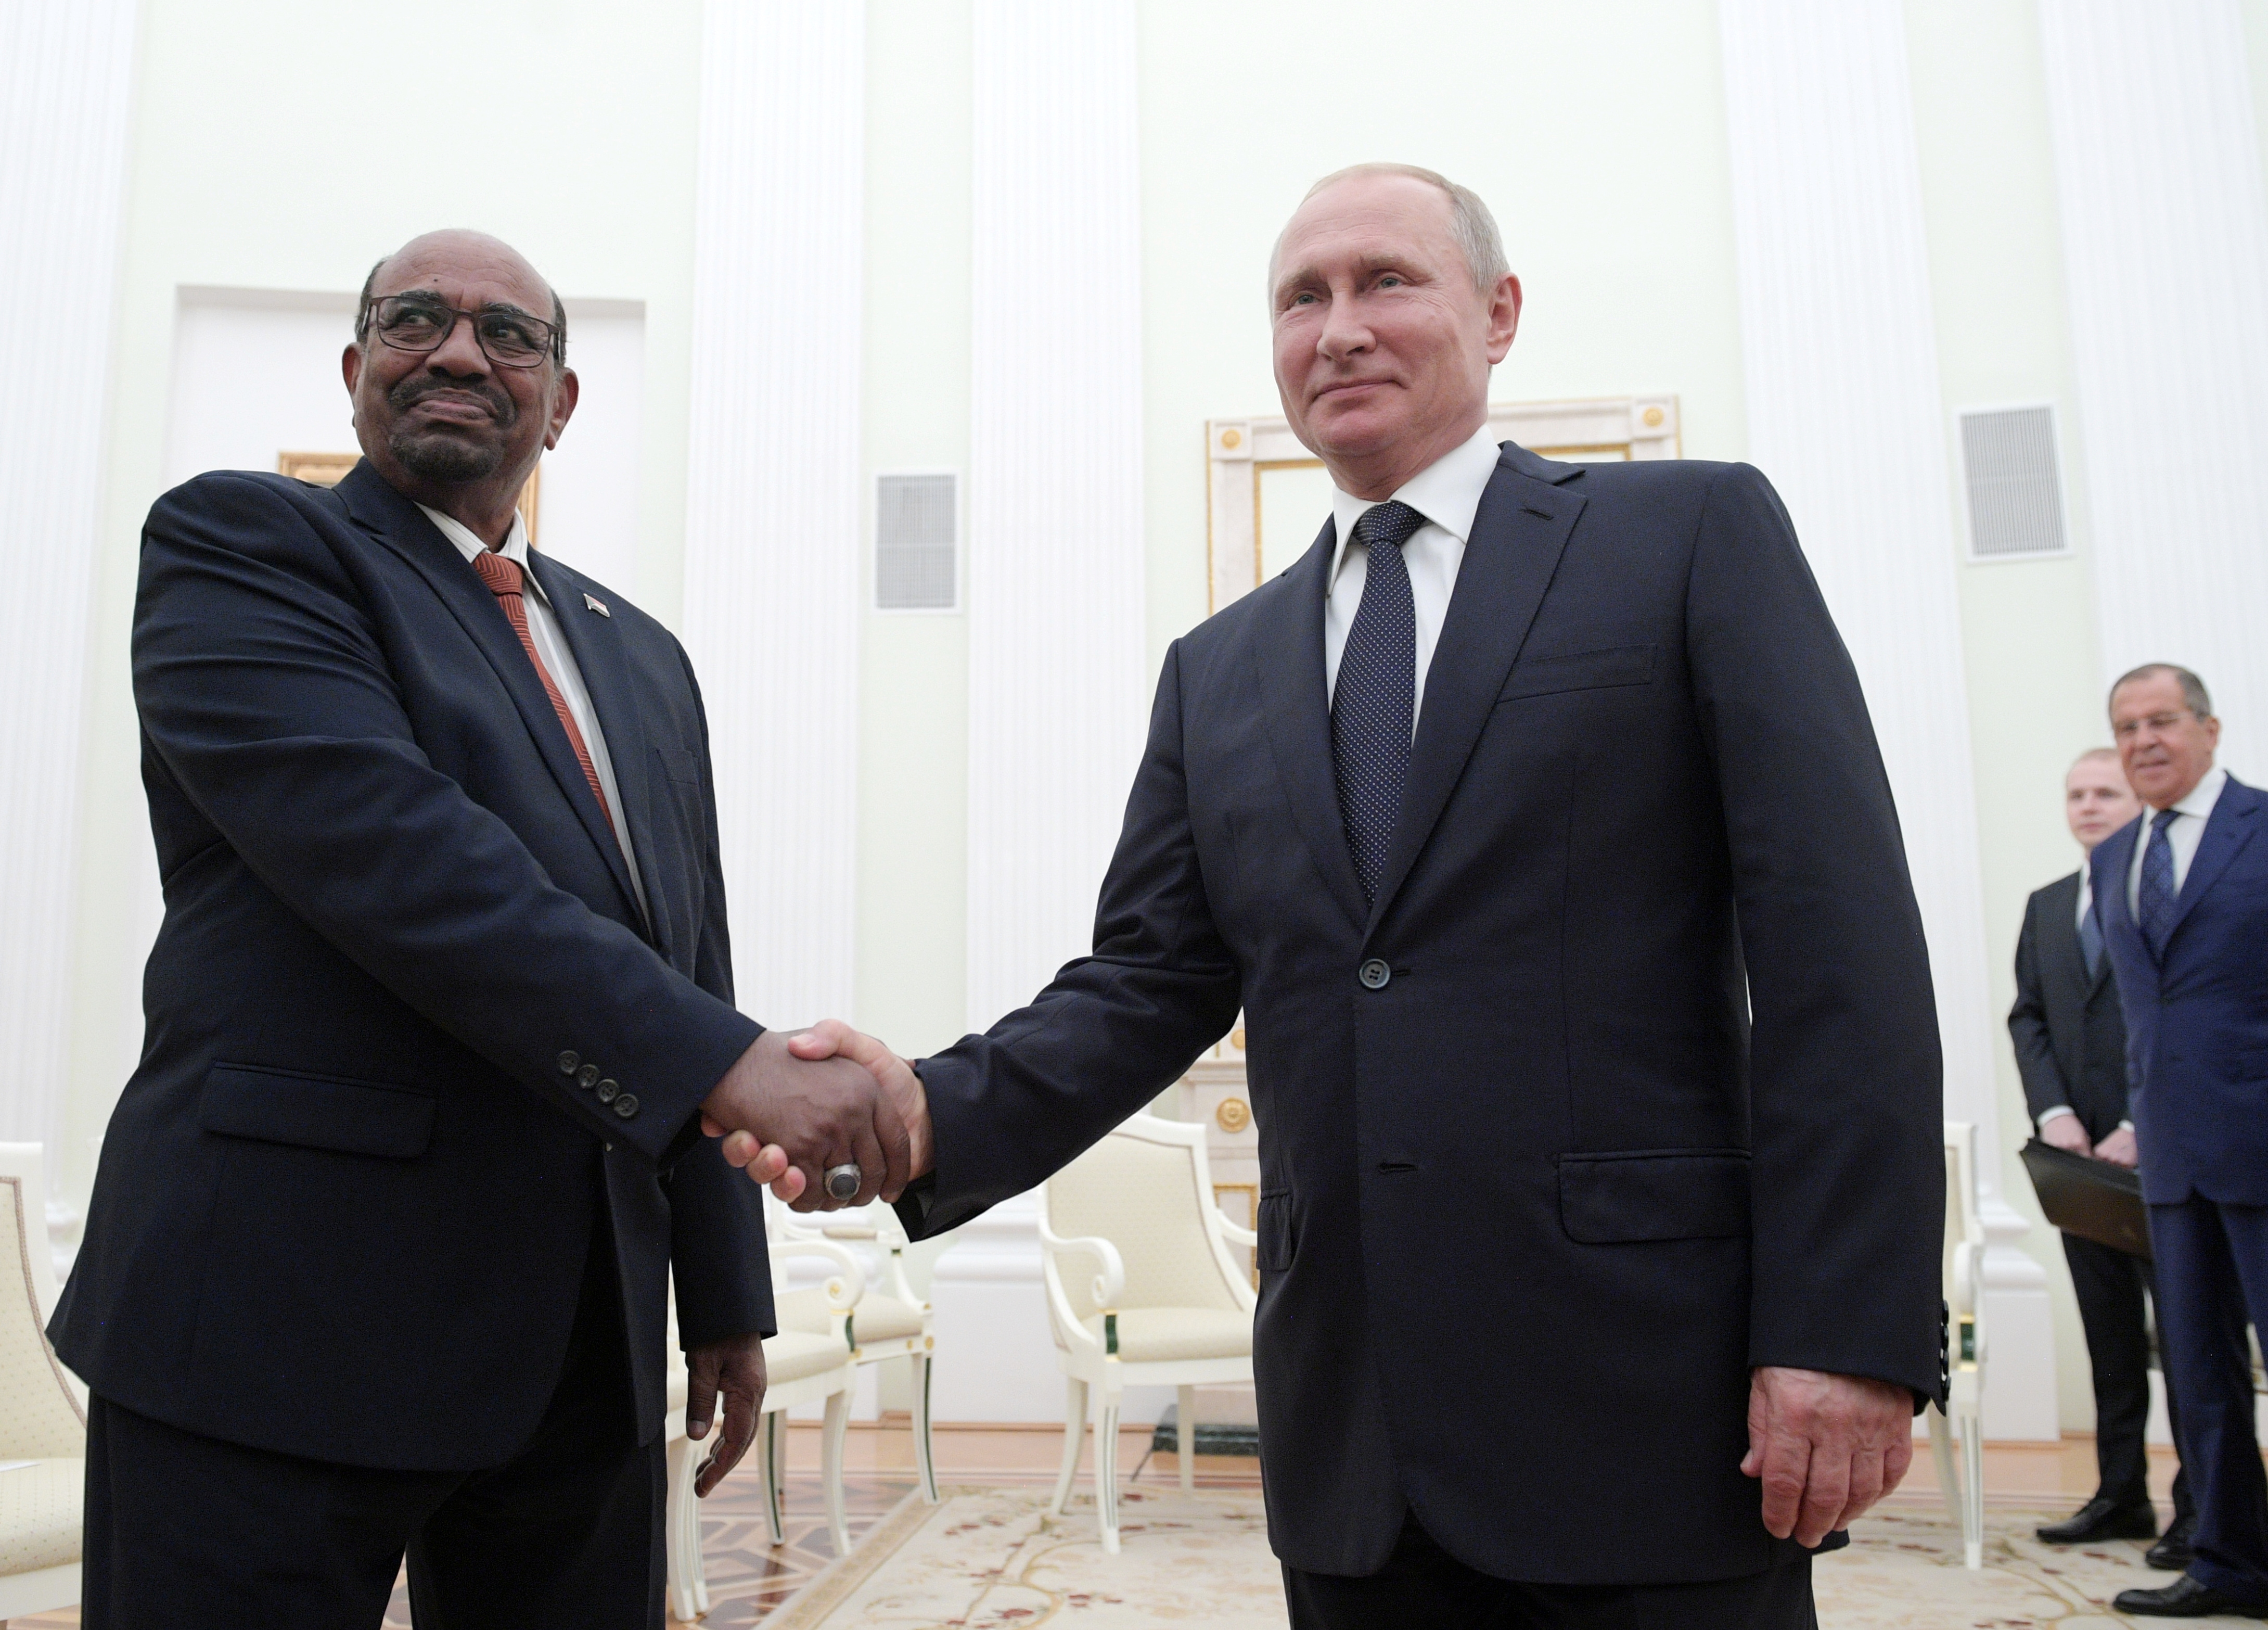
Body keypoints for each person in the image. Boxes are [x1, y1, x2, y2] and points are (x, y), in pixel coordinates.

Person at [773, 163, 1945, 1628]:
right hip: (1354, 1436)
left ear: (1498, 311)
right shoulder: (1223, 669)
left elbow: (1844, 950)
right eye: (1300, 298)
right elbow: (1148, 980)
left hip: (1649, 1402)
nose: (1339, 329)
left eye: (1386, 281)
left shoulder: (1688, 538)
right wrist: (928, 1111)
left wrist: (1848, 1327)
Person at [51, 230, 910, 1628]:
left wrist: (722, 1289)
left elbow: (687, 949)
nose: (459, 350)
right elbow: (408, 862)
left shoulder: (641, 655)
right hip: (272, 1318)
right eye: (415, 320)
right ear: (355, 371)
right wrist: (730, 1065)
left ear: (561, 401)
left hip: (580, 1350)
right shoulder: (246, 547)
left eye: (509, 334)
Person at [2091, 664, 2268, 1620]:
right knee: (2200, 1380)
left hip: (2263, 1147)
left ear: (2209, 728)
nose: (2143, 740)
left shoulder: (2263, 827)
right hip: (2172, 1161)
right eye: (2126, 726)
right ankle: (2231, 1563)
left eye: (2162, 721)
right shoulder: (2113, 856)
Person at [2013, 748, 2195, 1562]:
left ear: (2138, 803)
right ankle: (2120, 1495)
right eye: (2077, 794)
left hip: (2164, 1161)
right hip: (2080, 1169)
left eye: (2106, 793)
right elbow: (2032, 1020)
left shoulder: (2168, 901)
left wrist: (2140, 1122)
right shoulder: (2049, 906)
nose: (2089, 807)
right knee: (2110, 1337)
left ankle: (2205, 1507)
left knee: (2191, 1341)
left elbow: (2186, 1020)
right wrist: (2053, 1112)